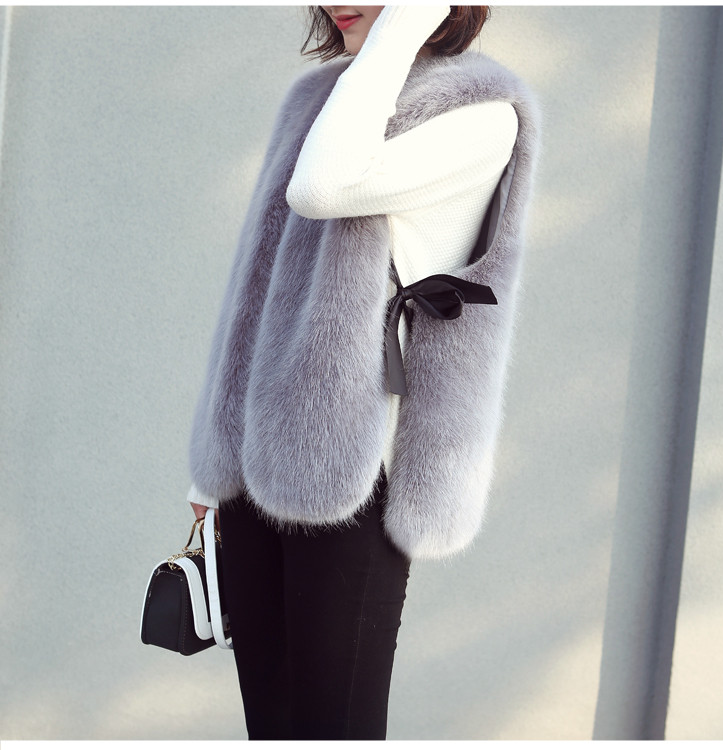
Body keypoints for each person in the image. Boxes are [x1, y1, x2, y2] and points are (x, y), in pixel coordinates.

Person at [187, 4, 539, 741]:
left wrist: (403, 28)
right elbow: (254, 283)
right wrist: (211, 469)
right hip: (258, 463)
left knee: (335, 727)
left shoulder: (479, 114)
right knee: (271, 728)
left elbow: (322, 188)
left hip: (357, 469)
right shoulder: (318, 100)